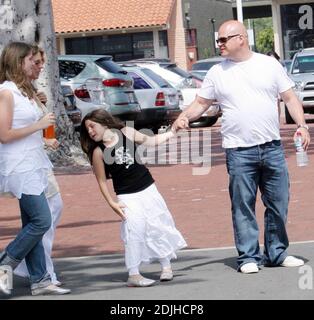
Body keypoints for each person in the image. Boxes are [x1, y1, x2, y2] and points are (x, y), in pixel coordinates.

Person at [173, 20, 310, 274]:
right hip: (238, 151)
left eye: (224, 40)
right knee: (242, 205)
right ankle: (248, 256)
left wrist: (302, 125)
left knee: (279, 202)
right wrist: (184, 116)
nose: (219, 45)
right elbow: (201, 103)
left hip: (272, 148)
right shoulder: (217, 72)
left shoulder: (269, 65)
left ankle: (277, 253)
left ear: (241, 39)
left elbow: (290, 98)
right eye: (219, 40)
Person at [80, 109, 187, 287]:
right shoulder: (98, 152)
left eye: (92, 126)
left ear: (104, 122)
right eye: (87, 130)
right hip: (126, 196)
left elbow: (152, 141)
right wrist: (112, 203)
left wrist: (173, 131)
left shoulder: (126, 132)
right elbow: (101, 182)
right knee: (134, 231)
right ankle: (134, 274)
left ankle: (166, 266)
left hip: (148, 189)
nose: (90, 131)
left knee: (157, 225)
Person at [0, 42, 70, 295]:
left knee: (34, 220)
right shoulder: (6, 92)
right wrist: (39, 124)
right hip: (20, 166)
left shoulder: (24, 91)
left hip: (35, 162)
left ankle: (40, 279)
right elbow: (5, 135)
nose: (38, 65)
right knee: (41, 220)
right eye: (33, 60)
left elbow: (25, 129)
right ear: (19, 61)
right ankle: (5, 263)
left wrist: (42, 135)